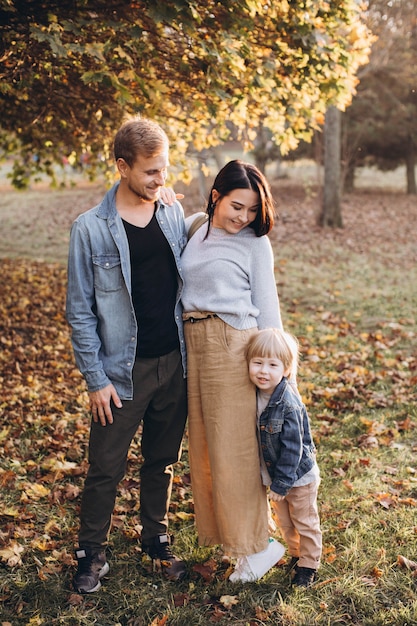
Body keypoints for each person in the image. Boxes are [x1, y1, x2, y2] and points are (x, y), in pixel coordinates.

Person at [66, 117, 188, 593]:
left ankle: (154, 538)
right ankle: (91, 552)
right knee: (105, 468)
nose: (160, 181)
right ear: (122, 167)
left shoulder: (172, 212)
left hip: (173, 362)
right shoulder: (90, 229)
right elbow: (79, 313)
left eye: (165, 170)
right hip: (120, 372)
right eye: (150, 172)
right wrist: (96, 379)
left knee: (161, 460)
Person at [181, 160, 286, 583]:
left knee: (237, 452)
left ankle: (259, 548)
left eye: (251, 211)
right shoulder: (192, 228)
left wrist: (278, 373)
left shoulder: (255, 245)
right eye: (237, 206)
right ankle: (237, 542)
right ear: (215, 196)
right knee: (207, 450)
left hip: (233, 343)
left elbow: (268, 307)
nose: (243, 218)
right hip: (194, 343)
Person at [246, 327, 322, 588]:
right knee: (286, 522)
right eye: (257, 363)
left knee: (305, 521)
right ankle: (296, 555)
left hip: (298, 477)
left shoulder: (287, 403)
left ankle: (309, 565)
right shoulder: (253, 394)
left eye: (272, 364)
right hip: (277, 478)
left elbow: (293, 449)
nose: (263, 371)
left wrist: (281, 484)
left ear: (286, 369)